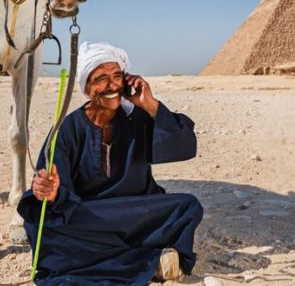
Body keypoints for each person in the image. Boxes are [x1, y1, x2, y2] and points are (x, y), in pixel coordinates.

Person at [17, 42, 203, 285]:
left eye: (117, 76)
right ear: (87, 88)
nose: (111, 85)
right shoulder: (66, 130)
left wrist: (150, 104)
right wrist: (49, 193)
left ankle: (114, 259)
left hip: (133, 214)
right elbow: (49, 190)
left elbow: (183, 144)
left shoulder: (137, 119)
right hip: (89, 217)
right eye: (101, 78)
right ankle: (148, 260)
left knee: (187, 206)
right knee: (40, 226)